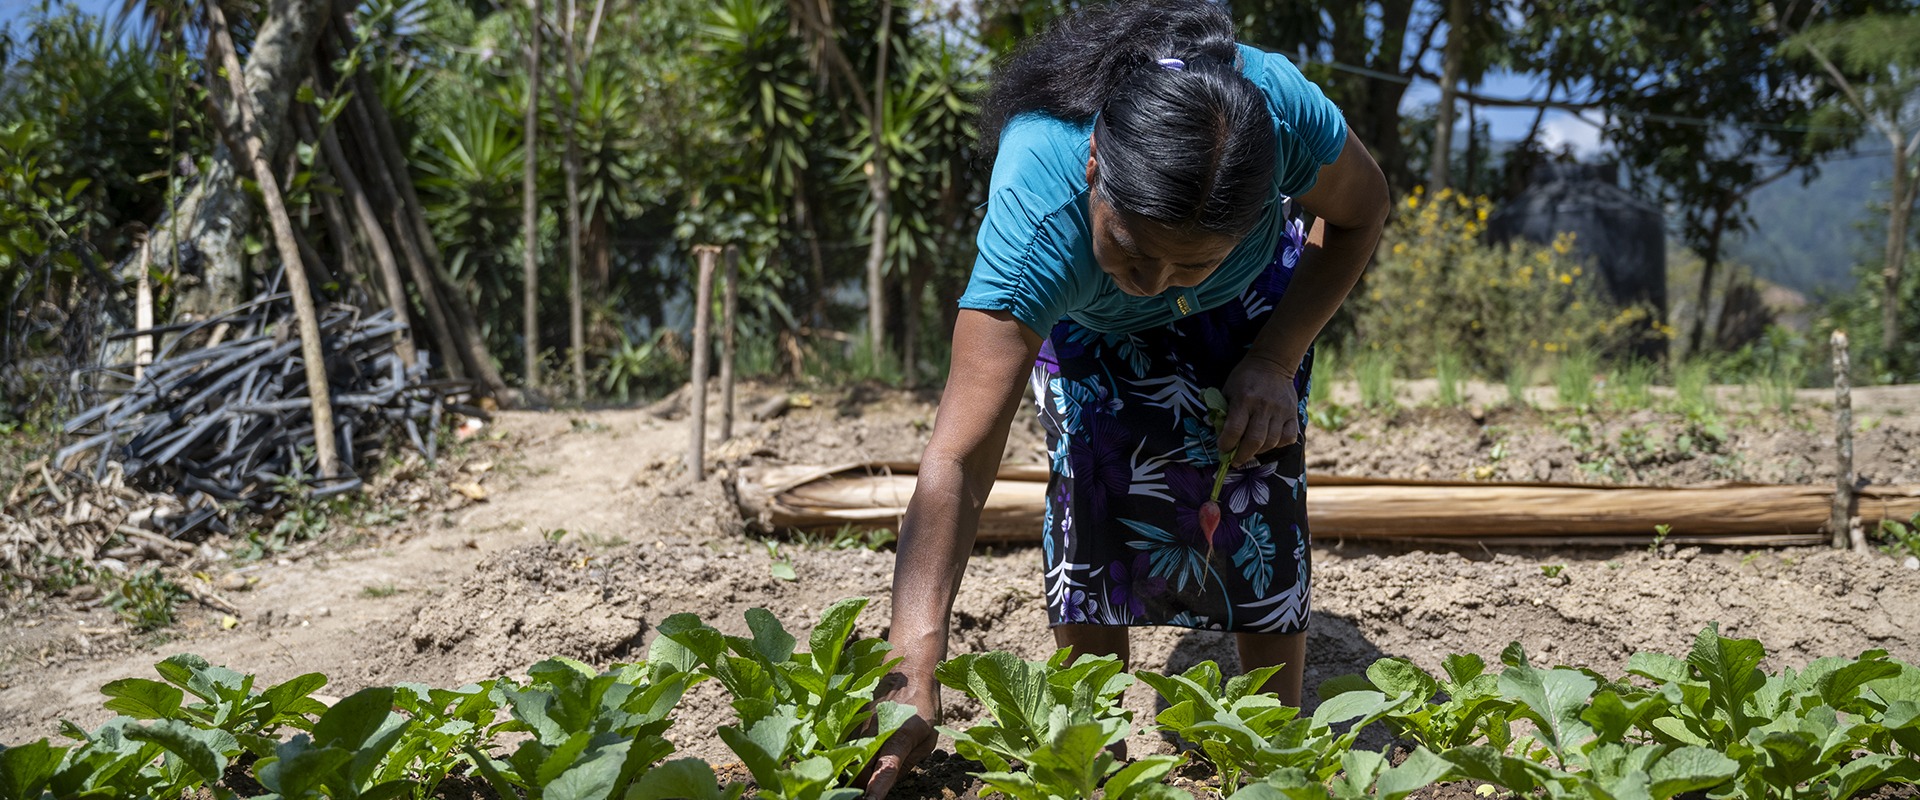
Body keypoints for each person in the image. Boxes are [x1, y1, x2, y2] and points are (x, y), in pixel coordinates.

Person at [861, 2, 1387, 796]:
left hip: (1248, 310)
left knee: (1256, 479)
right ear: (1095, 167)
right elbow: (960, 456)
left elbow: (1362, 210)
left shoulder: (1282, 117)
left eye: (1189, 264)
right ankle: (1090, 757)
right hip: (1086, 315)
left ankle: (1268, 751)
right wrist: (912, 661)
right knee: (1092, 486)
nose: (1156, 285)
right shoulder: (1039, 213)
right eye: (1135, 251)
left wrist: (1277, 357)